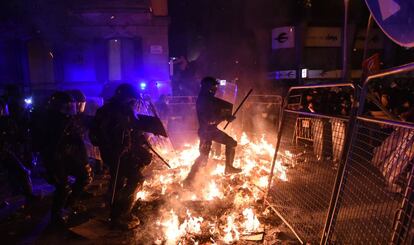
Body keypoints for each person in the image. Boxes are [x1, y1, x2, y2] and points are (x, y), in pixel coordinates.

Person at [89, 83, 152, 230]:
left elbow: (133, 131)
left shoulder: (126, 110)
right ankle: (119, 215)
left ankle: (116, 208)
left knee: (119, 181)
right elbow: (99, 135)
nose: (133, 103)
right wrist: (114, 147)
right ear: (124, 97)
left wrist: (141, 140)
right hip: (115, 154)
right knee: (134, 179)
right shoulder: (107, 112)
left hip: (125, 153)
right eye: (131, 99)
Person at [40, 91, 92, 225]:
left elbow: (77, 142)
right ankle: (56, 216)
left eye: (71, 105)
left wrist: (82, 160)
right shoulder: (51, 122)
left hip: (66, 157)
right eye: (67, 106)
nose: (71, 108)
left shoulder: (68, 120)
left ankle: (69, 205)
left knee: (84, 177)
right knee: (63, 187)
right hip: (55, 159)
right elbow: (49, 146)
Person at [184, 76, 242, 187]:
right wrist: (224, 117)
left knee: (231, 143)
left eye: (215, 86)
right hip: (206, 133)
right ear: (206, 86)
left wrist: (226, 116)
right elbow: (209, 120)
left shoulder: (209, 98)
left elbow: (216, 114)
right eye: (213, 86)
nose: (215, 88)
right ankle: (189, 180)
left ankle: (228, 167)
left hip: (212, 131)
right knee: (203, 157)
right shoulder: (203, 100)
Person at [0, 99, 36, 203]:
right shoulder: (5, 122)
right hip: (5, 153)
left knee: (19, 172)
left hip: (7, 152)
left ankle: (22, 194)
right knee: (23, 171)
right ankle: (28, 195)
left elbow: (16, 135)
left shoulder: (7, 121)